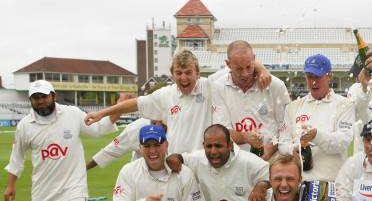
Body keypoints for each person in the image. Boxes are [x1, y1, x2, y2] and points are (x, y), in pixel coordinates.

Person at [3, 80, 118, 201]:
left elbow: (98, 129)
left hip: (73, 187)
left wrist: (119, 109)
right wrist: (10, 186)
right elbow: (17, 157)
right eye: (36, 98)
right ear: (31, 100)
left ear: (53, 96)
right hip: (43, 188)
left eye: (44, 96)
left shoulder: (72, 114)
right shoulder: (25, 125)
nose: (40, 101)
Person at [84, 49, 271, 153]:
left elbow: (242, 63)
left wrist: (263, 71)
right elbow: (135, 103)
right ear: (172, 74)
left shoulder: (209, 85)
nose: (183, 78)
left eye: (188, 72)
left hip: (206, 164)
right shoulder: (165, 94)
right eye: (178, 73)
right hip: (176, 165)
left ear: (197, 73)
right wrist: (101, 113)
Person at [166, 124, 269, 201]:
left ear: (230, 145)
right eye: (209, 146)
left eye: (219, 146)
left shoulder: (248, 161)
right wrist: (174, 158)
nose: (213, 151)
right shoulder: (198, 159)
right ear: (203, 145)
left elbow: (271, 174)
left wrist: (261, 185)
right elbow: (181, 158)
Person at [107, 125, 202, 201]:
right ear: (140, 148)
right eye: (147, 146)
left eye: (157, 145)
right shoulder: (128, 171)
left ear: (166, 145)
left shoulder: (183, 173)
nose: (152, 150)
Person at [278, 54, 355, 181]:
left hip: (332, 182)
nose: (313, 82)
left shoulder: (345, 104)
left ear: (329, 76)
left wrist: (316, 135)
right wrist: (293, 149)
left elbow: (343, 141)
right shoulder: (292, 107)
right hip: (299, 183)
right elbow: (282, 143)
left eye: (317, 77)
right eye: (309, 77)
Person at [212, 40, 290, 160]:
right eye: (239, 69)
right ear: (228, 64)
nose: (245, 73)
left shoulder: (276, 85)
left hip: (271, 163)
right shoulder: (218, 87)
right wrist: (245, 137)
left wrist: (270, 149)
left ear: (254, 59)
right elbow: (222, 132)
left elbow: (286, 127)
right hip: (236, 163)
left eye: (249, 67)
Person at [86, 93, 164, 169]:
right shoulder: (135, 128)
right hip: (141, 178)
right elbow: (109, 151)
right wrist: (83, 169)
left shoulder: (175, 123)